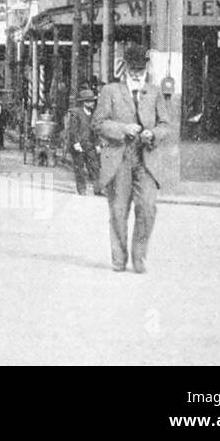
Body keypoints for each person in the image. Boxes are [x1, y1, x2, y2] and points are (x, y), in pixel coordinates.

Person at [92, 43, 173, 273]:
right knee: (118, 211)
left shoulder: (155, 91)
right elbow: (98, 123)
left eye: (141, 70)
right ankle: (119, 258)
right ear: (125, 68)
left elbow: (165, 125)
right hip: (119, 158)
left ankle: (139, 258)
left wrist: (153, 133)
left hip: (146, 159)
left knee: (147, 208)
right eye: (133, 70)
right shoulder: (110, 91)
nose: (137, 74)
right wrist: (122, 128)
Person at [65, 88, 102, 196]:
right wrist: (76, 143)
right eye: (90, 101)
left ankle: (98, 189)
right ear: (84, 102)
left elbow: (96, 130)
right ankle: (81, 189)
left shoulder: (93, 114)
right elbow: (73, 129)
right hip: (79, 145)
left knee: (95, 167)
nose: (92, 104)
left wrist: (98, 144)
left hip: (90, 145)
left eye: (93, 101)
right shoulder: (76, 113)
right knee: (79, 168)